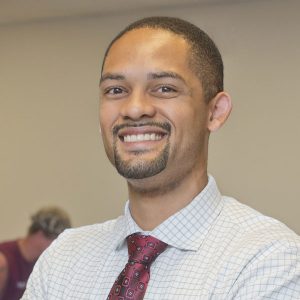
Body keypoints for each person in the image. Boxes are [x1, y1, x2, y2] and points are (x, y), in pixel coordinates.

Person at [22, 16, 300, 299]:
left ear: (215, 112)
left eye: (165, 88)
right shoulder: (62, 260)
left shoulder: (269, 260)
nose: (134, 108)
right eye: (116, 90)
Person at [0, 207, 71, 300]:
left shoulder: (45, 262)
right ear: (40, 234)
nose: (59, 247)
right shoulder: (4, 260)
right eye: (57, 241)